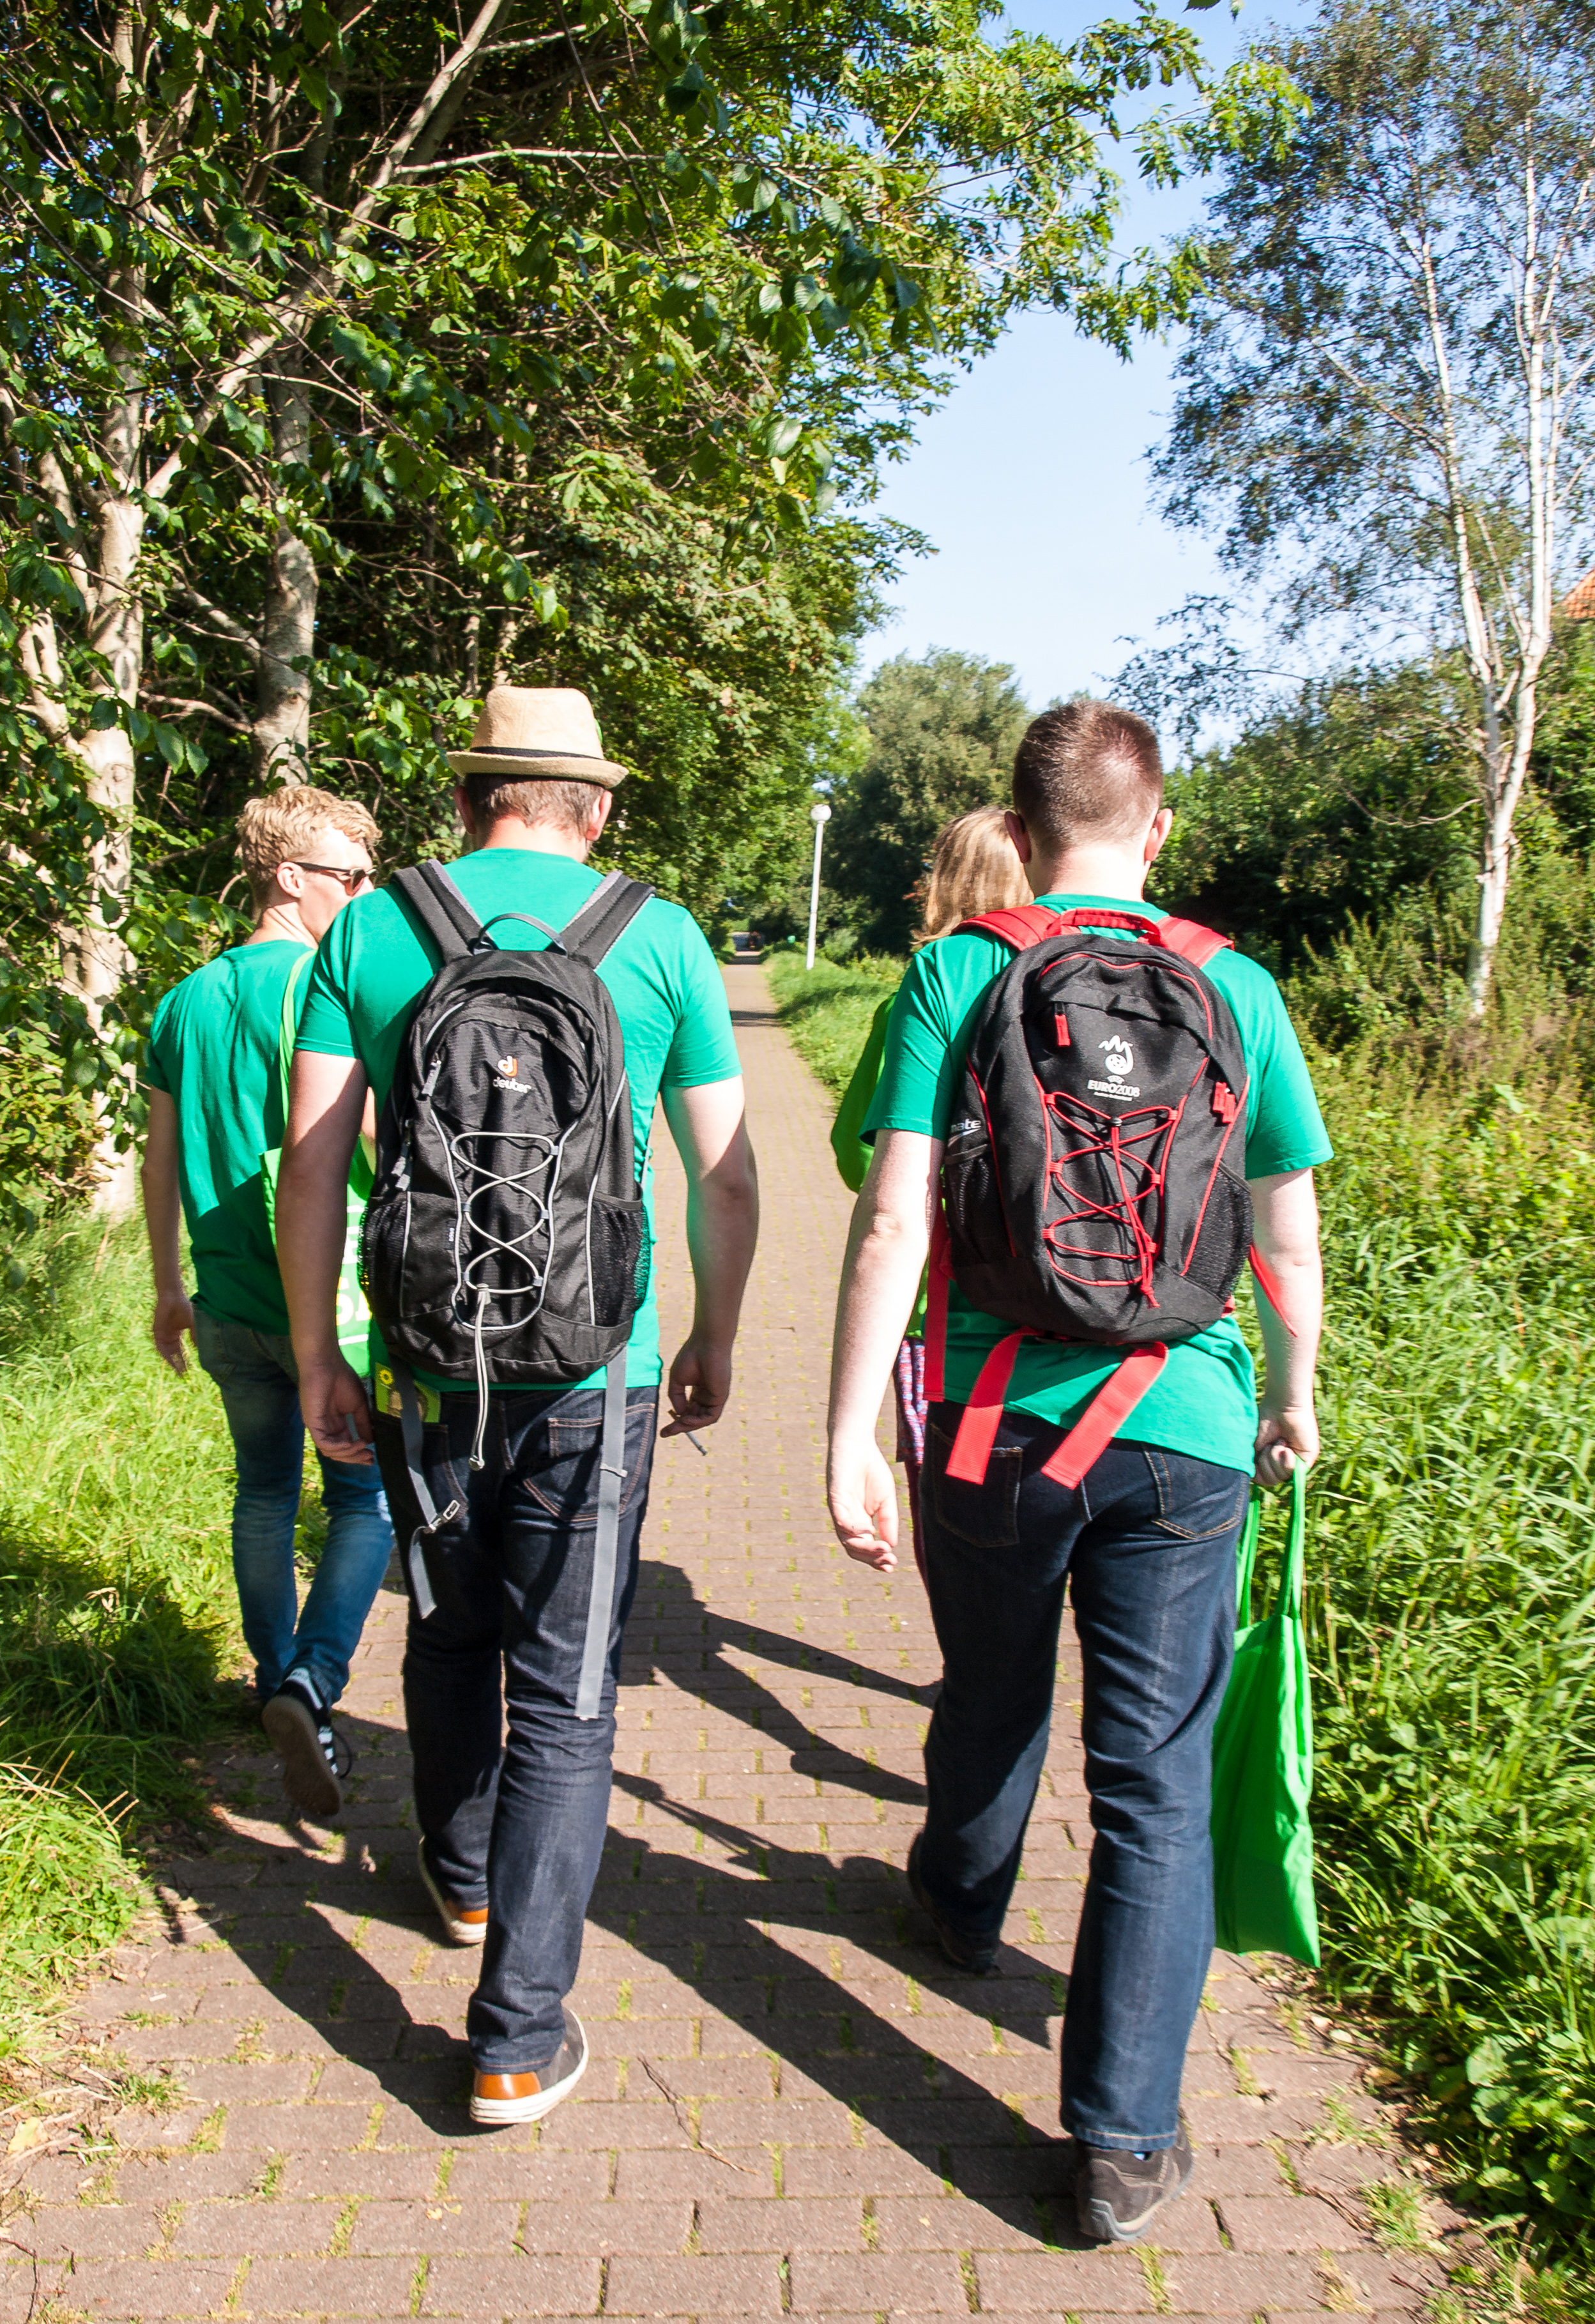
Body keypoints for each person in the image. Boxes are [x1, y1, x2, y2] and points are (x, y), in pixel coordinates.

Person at [823, 701, 1329, 2245]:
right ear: (1154, 822)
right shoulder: (1231, 980)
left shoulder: (961, 966)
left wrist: (847, 1426)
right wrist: (1290, 1396)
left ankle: (957, 1905)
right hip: (1178, 1427)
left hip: (988, 1421)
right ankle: (1118, 2139)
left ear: (1018, 824)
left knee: (987, 1683)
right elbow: (1280, 1232)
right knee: (1150, 1782)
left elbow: (893, 1213)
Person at [276, 684, 758, 2130]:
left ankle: (463, 1871)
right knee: (564, 1692)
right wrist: (716, 1334)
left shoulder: (372, 926)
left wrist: (320, 1355)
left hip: (426, 1359)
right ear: (591, 804)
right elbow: (725, 1175)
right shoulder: (656, 936)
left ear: (473, 791)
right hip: (597, 1373)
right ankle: (514, 2036)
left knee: (443, 1625)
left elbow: (307, 1166)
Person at [142, 788, 395, 1822]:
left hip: (226, 1299)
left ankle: (271, 1676)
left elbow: (158, 1161)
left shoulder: (183, 1000)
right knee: (362, 1498)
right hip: (331, 1305)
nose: (365, 893)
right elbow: (365, 1140)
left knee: (258, 1492)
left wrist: (166, 1287)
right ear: (287, 876)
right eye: (349, 875)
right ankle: (313, 1681)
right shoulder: (323, 988)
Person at [828, 806, 1034, 1584]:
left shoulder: (932, 983)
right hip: (1076, 1294)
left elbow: (860, 1156)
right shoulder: (1093, 975)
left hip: (938, 1312)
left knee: (951, 1497)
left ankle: (972, 1658)